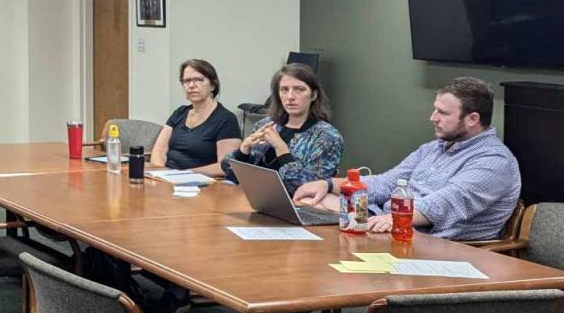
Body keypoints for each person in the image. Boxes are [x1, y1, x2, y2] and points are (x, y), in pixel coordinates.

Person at [293, 76, 520, 240]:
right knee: (311, 204)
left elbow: (447, 203)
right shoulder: (433, 148)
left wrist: (394, 218)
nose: (433, 118)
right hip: (387, 223)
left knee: (324, 246)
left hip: (432, 243)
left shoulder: (494, 161)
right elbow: (388, 182)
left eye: (443, 113)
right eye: (435, 109)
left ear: (472, 119)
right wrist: (329, 185)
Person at [221, 62, 343, 193]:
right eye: (284, 90)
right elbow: (229, 171)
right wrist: (243, 149)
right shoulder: (265, 125)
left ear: (313, 95)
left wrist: (282, 150)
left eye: (299, 89)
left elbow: (307, 188)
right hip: (252, 198)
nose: (290, 97)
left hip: (296, 206)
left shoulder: (327, 136)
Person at [148, 59, 241, 177]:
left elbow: (225, 166)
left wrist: (183, 174)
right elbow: (159, 150)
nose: (191, 85)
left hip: (202, 182)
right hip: (167, 178)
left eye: (198, 80)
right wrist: (161, 173)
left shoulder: (226, 119)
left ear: (212, 85)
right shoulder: (179, 113)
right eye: (187, 81)